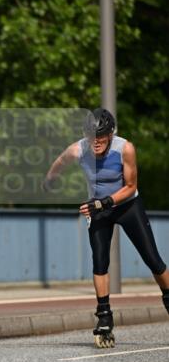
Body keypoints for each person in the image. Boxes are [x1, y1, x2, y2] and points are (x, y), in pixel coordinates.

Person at [44, 107, 169, 346]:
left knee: (152, 259)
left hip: (127, 205)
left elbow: (131, 186)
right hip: (98, 207)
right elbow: (60, 161)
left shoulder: (125, 148)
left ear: (111, 134)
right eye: (92, 138)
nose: (96, 142)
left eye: (101, 138)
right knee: (99, 261)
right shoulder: (78, 149)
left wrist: (105, 202)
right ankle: (104, 317)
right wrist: (50, 180)